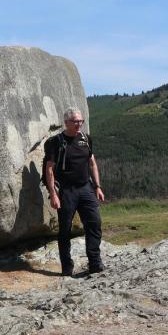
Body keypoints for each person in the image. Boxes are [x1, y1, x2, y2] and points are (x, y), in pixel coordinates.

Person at [44, 108, 105, 276]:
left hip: (86, 188)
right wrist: (54, 194)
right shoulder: (56, 142)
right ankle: (67, 266)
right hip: (66, 191)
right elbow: (50, 169)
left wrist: (98, 187)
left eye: (81, 121)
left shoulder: (85, 139)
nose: (79, 125)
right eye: (75, 122)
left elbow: (92, 163)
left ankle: (95, 263)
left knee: (94, 224)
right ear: (66, 122)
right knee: (65, 230)